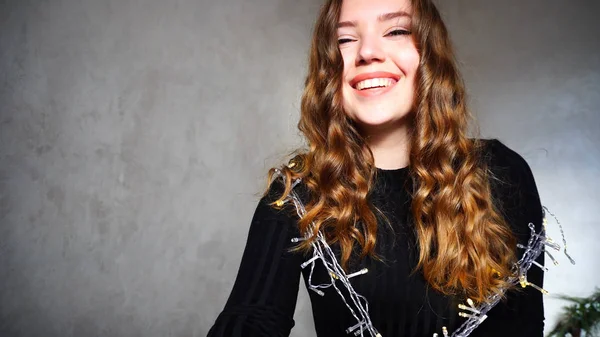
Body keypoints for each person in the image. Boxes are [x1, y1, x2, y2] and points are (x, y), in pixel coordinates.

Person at [207, 0, 547, 336]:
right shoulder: (297, 195)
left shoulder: (501, 173)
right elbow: (250, 319)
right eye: (344, 39)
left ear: (429, 54)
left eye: (396, 30)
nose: (367, 52)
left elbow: (524, 324)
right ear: (328, 67)